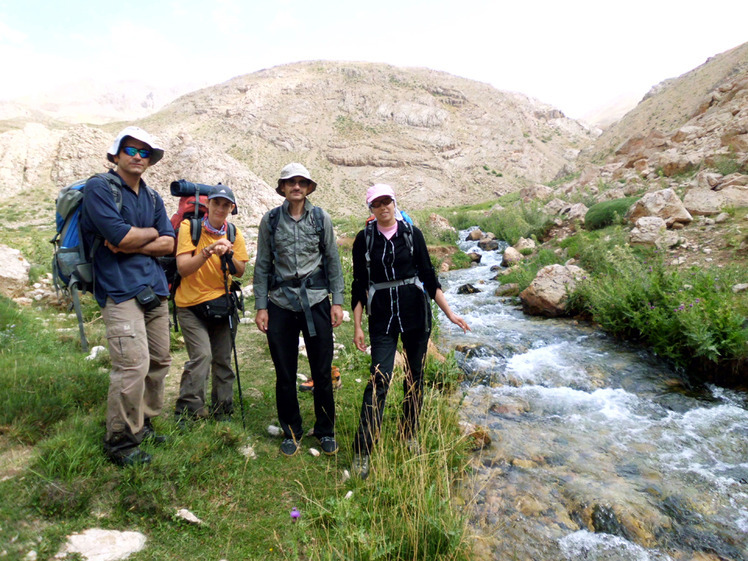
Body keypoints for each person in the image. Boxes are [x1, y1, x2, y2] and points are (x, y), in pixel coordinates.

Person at [350, 184, 470, 479]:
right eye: (376, 204)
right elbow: (359, 285)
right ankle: (363, 451)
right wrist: (356, 326)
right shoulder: (363, 240)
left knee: (415, 377)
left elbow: (429, 277)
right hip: (382, 319)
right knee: (379, 380)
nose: (383, 207)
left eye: (386, 201)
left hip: (416, 315)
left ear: (394, 202)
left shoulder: (412, 234)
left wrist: (450, 313)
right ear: (371, 209)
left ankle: (409, 433)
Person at [80, 126, 175, 467]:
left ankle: (144, 423)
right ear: (117, 154)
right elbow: (117, 235)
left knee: (160, 360)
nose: (137, 156)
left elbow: (170, 242)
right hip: (119, 292)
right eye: (131, 150)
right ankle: (119, 441)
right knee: (132, 365)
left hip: (154, 289)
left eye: (144, 152)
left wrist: (135, 239)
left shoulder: (152, 197)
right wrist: (144, 236)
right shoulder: (100, 188)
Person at [253, 163, 345, 457]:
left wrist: (338, 301)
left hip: (317, 301)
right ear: (282, 188)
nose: (296, 186)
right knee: (284, 371)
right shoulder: (270, 221)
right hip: (280, 303)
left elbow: (332, 259)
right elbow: (263, 265)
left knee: (321, 369)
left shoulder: (321, 219)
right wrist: (260, 306)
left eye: (301, 182)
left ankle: (325, 430)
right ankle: (291, 430)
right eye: (290, 182)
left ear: (308, 188)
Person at [173, 185, 249, 425]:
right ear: (208, 204)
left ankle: (223, 409)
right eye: (216, 203)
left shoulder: (234, 234)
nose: (220, 208)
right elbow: (183, 268)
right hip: (190, 305)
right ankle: (189, 410)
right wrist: (207, 251)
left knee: (223, 358)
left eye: (225, 205)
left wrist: (227, 254)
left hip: (221, 304)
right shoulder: (189, 228)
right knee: (202, 356)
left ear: (231, 208)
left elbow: (240, 271)